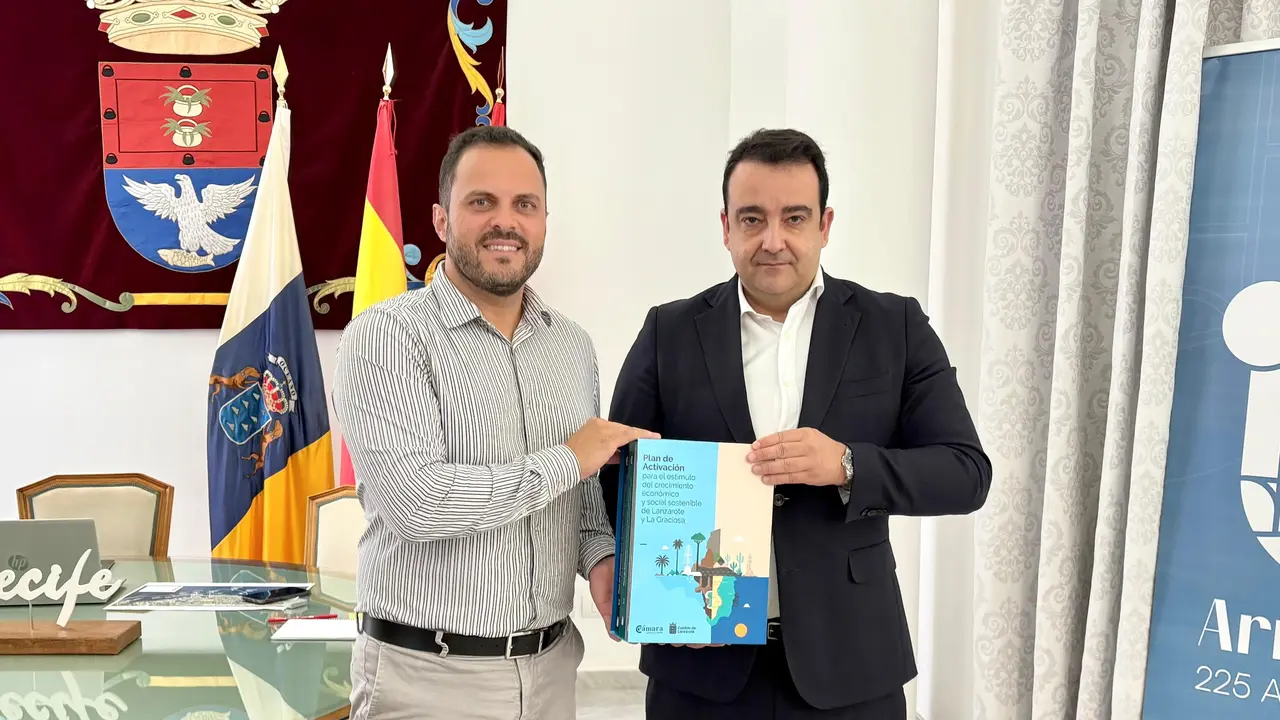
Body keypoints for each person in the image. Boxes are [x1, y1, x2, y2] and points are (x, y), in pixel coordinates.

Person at [600, 128, 992, 719]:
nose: (773, 240)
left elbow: (965, 473)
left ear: (825, 225)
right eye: (753, 219)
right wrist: (647, 592)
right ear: (726, 227)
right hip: (699, 662)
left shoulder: (895, 326)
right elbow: (616, 473)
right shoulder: (669, 332)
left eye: (795, 217)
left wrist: (848, 464)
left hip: (851, 662)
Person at [332, 125, 656, 720]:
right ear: (440, 219)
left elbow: (578, 501)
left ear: (543, 222)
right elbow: (416, 505)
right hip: (425, 680)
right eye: (482, 202)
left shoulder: (571, 347)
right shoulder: (387, 337)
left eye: (524, 205)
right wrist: (567, 460)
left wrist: (606, 559)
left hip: (554, 670)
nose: (505, 222)